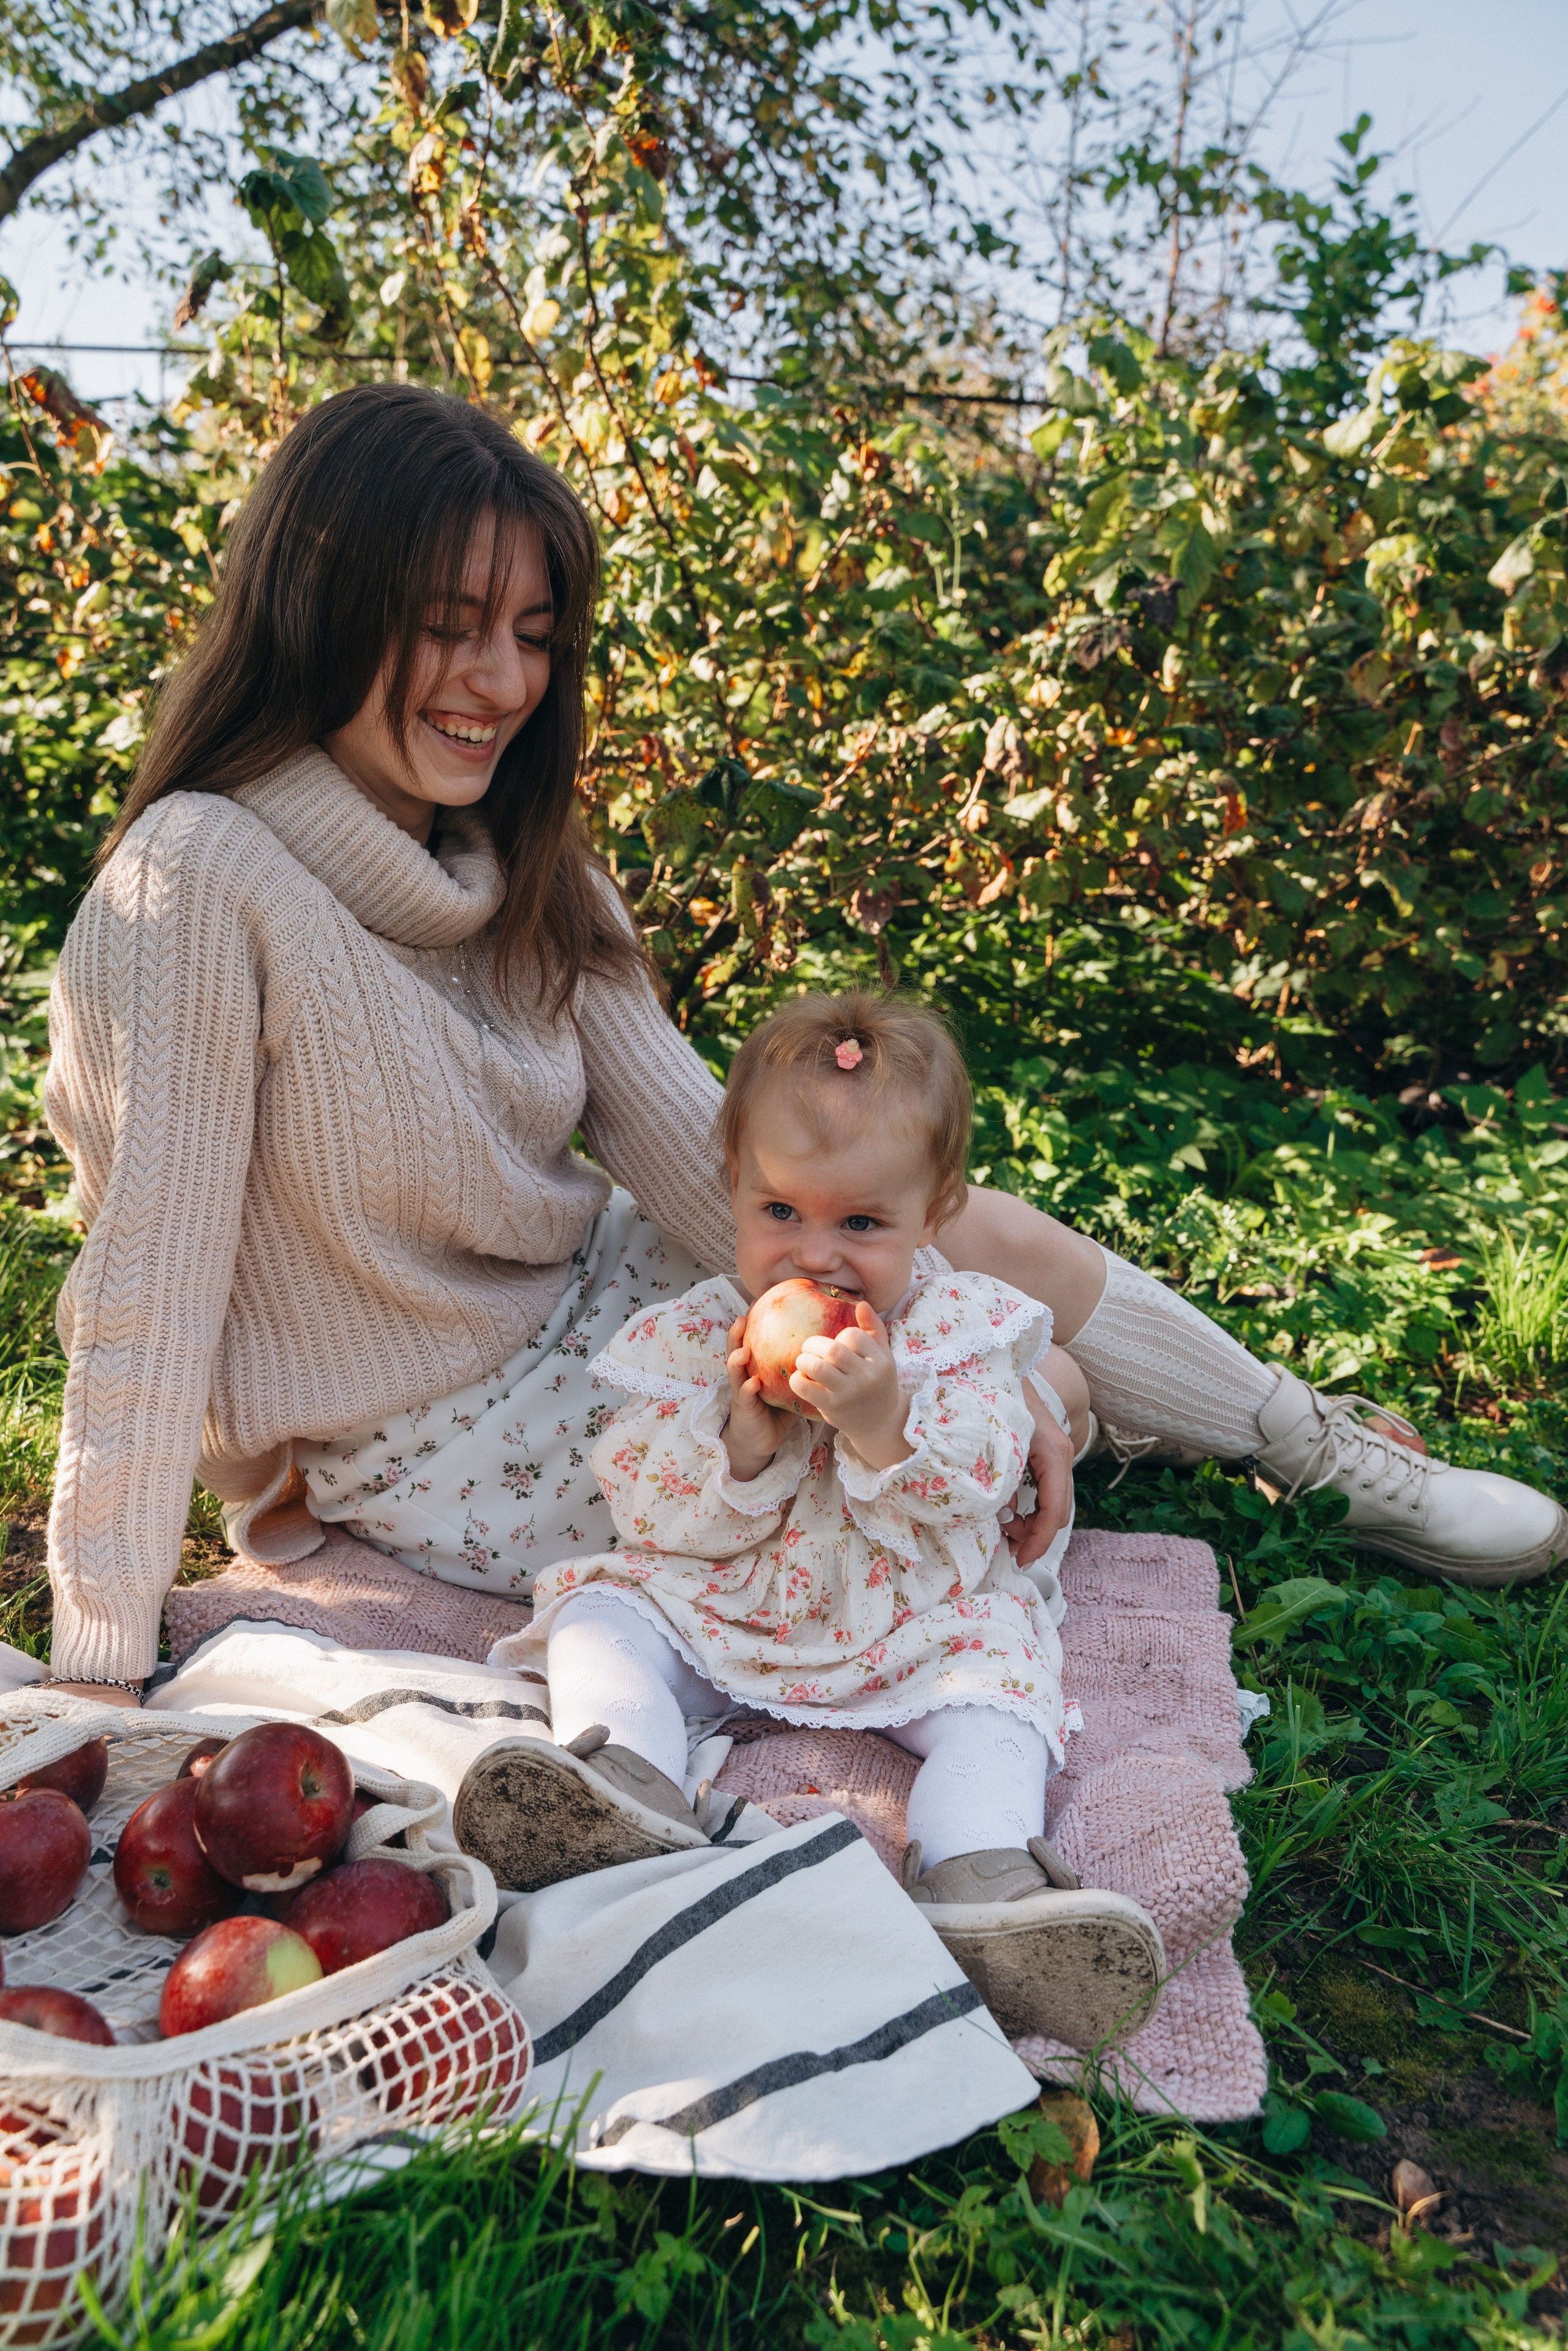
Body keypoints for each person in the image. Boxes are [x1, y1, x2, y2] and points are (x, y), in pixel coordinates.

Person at [42, 383, 1565, 1711]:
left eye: (530, 635)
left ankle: (1322, 1455)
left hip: (599, 1289)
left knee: (951, 1239)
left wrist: (971, 1352)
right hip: (434, 1428)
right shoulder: (198, 880)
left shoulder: (534, 874)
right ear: (317, 611)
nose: (501, 684)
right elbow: (149, 1289)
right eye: (446, 629)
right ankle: (1102, 1423)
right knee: (881, 1460)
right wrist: (97, 1668)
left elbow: (706, 1163)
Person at [458, 989, 1164, 2051]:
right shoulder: (701, 1333)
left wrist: (885, 1423)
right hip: (735, 1600)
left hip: (916, 1620)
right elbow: (647, 1505)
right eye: (780, 1212)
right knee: (602, 1608)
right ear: (734, 1192)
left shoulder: (965, 1334)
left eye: (862, 1224)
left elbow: (981, 1476)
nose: (814, 1259)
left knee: (1004, 1694)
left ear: (936, 1213)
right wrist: (740, 1439)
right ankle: (623, 1782)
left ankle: (982, 1881)